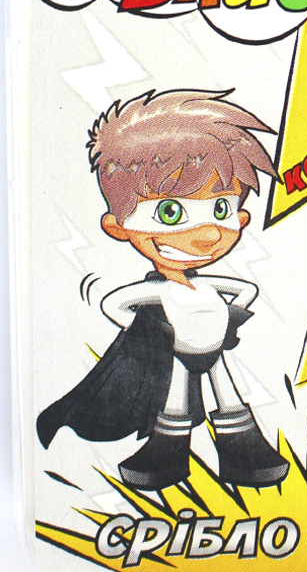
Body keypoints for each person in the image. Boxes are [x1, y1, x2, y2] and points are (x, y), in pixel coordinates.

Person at [37, 88, 289, 491]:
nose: (208, 233)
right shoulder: (159, 294)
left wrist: (230, 319)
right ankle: (164, 458)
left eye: (221, 209)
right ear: (118, 228)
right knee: (175, 400)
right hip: (175, 352)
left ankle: (247, 455)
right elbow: (115, 304)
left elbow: (243, 291)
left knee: (228, 395)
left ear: (240, 217)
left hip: (214, 348)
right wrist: (148, 332)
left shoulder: (206, 284)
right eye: (171, 212)